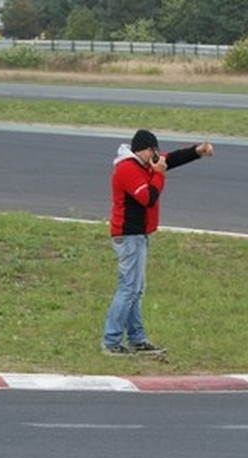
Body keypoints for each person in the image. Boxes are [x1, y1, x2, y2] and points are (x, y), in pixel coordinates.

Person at [102, 129, 214, 355]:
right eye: (153, 151)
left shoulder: (142, 163)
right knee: (128, 289)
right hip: (129, 236)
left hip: (139, 235)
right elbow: (148, 197)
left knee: (136, 290)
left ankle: (136, 339)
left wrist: (196, 152)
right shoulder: (127, 169)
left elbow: (168, 160)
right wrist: (160, 174)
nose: (156, 156)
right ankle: (111, 342)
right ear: (143, 150)